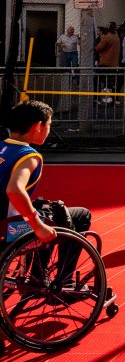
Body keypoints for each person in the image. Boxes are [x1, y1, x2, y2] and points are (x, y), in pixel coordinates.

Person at [2, 101, 92, 278]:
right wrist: (37, 224)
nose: (49, 130)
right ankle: (58, 279)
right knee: (79, 215)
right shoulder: (28, 156)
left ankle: (39, 272)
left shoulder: (2, 147)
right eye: (49, 124)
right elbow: (14, 190)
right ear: (37, 126)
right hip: (9, 226)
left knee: (47, 211)